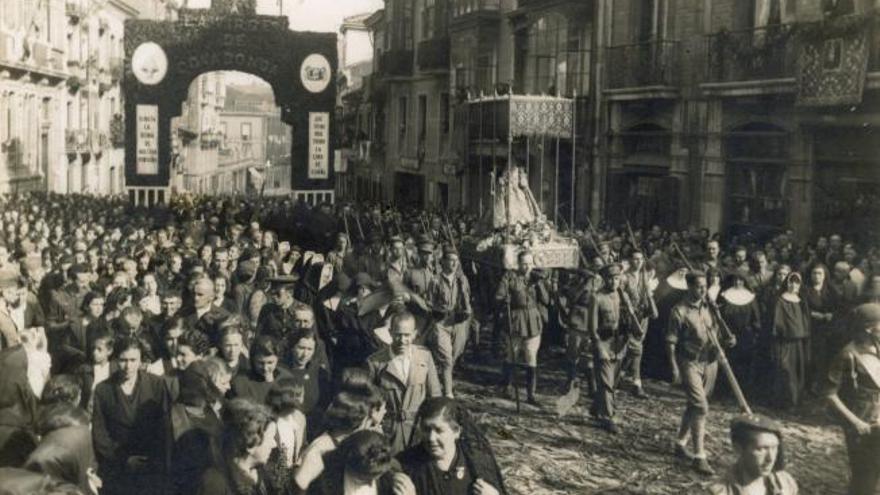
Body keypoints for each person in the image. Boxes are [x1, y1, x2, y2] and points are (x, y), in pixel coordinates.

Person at [667, 271, 735, 476]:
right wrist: (674, 368)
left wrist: (728, 340)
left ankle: (680, 443)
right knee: (701, 407)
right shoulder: (679, 311)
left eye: (705, 286)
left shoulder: (710, 307)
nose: (703, 290)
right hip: (689, 362)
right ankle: (699, 456)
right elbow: (670, 343)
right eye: (698, 286)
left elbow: (717, 332)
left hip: (710, 362)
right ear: (689, 287)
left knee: (694, 405)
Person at [91, 335, 171, 495]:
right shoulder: (103, 390)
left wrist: (152, 460)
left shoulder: (156, 384)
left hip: (151, 465)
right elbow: (100, 433)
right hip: (117, 468)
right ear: (115, 359)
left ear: (141, 360)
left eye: (133, 360)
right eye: (123, 360)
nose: (128, 366)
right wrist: (123, 459)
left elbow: (165, 426)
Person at [824, 303, 880, 495]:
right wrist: (855, 422)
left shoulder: (878, 347)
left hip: (878, 419)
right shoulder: (848, 354)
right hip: (861, 424)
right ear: (868, 328)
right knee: (864, 477)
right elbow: (830, 394)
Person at [397, 397, 506, 495]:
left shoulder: (476, 465)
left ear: (457, 431)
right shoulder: (407, 465)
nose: (431, 438)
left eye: (439, 430)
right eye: (426, 429)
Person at [367, 311, 441, 453]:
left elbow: (435, 396)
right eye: (397, 334)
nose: (402, 340)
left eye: (407, 335)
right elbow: (370, 400)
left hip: (418, 430)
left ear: (414, 334)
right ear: (390, 332)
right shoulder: (375, 362)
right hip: (389, 431)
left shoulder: (424, 357)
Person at [494, 251, 549, 406]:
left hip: (532, 321)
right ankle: (507, 387)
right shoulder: (509, 277)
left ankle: (531, 394)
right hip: (515, 320)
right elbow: (498, 296)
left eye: (529, 263)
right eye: (524, 263)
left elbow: (546, 300)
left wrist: (539, 284)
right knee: (512, 355)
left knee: (531, 357)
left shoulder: (537, 278)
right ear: (518, 263)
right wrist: (505, 299)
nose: (527, 266)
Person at [196, 399, 277, 495]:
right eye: (271, 438)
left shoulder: (261, 474)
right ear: (250, 444)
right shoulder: (216, 482)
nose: (274, 444)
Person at [709, 415, 798, 495]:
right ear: (738, 449)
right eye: (761, 449)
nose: (770, 459)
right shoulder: (721, 492)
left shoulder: (785, 483)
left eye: (774, 448)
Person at [588, 263, 628, 433]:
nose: (614, 282)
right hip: (603, 343)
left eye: (617, 278)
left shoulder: (622, 296)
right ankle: (608, 417)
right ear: (604, 280)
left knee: (614, 381)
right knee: (606, 383)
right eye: (610, 278)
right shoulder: (597, 298)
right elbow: (592, 328)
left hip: (619, 344)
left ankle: (597, 407)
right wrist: (599, 348)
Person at [426, 249, 472, 398]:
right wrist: (436, 311)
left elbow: (467, 298)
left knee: (454, 355)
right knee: (446, 359)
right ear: (443, 261)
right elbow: (429, 303)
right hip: (441, 322)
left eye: (456, 260)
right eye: (450, 260)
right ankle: (448, 393)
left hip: (458, 322)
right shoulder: (435, 280)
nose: (453, 263)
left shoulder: (462, 279)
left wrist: (467, 312)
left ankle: (443, 381)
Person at [308, 429, 412, 495]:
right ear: (348, 465)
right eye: (362, 479)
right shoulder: (326, 478)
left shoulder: (390, 477)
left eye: (375, 477)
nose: (370, 483)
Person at [770, 273, 811, 409]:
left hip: (798, 344)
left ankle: (796, 402)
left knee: (798, 371)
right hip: (785, 342)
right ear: (787, 284)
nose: (794, 285)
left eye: (797, 283)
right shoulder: (781, 301)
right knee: (785, 371)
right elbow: (777, 323)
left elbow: (805, 322)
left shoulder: (801, 301)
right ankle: (785, 402)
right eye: (791, 282)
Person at [230, 335, 292, 404]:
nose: (265, 368)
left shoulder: (286, 378)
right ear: (253, 360)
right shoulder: (240, 382)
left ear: (277, 359)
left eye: (270, 363)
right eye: (260, 363)